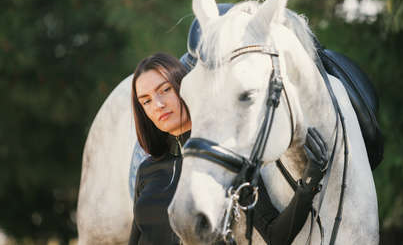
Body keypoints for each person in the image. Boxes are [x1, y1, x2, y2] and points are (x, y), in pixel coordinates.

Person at [128, 52, 328, 245]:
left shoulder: (224, 159)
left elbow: (275, 236)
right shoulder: (147, 169)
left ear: (183, 86)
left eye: (165, 90)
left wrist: (308, 185)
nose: (158, 104)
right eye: (146, 101)